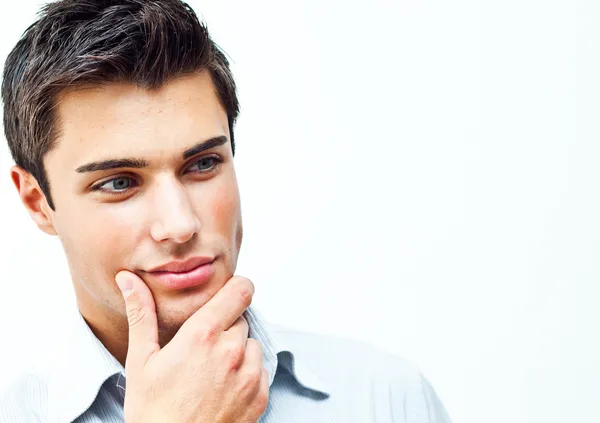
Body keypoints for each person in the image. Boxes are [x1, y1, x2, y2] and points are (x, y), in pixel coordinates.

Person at [0, 1, 452, 422]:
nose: (180, 224)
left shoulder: (385, 399)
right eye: (119, 183)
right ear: (38, 203)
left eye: (202, 164)